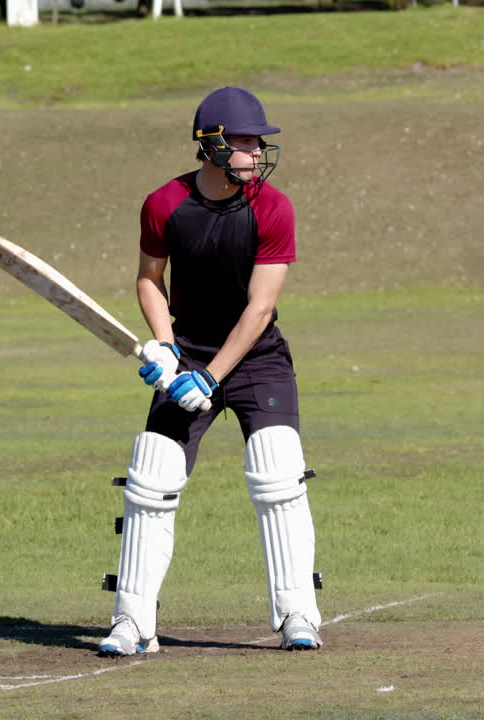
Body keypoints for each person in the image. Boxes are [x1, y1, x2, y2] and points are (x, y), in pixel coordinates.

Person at [98, 87, 322, 656]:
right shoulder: (164, 204)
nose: (256, 152)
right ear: (212, 144)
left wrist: (210, 377)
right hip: (188, 350)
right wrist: (167, 350)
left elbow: (260, 308)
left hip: (256, 357)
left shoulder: (274, 208)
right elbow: (150, 280)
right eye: (246, 141)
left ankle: (298, 612)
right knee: (151, 476)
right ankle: (132, 622)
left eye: (258, 142)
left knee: (278, 473)